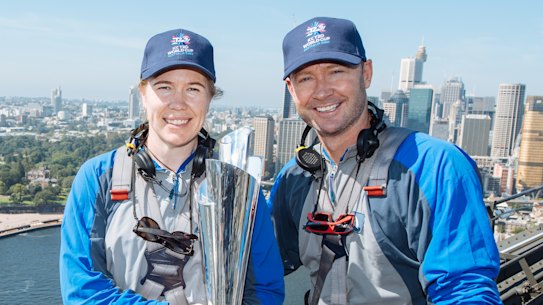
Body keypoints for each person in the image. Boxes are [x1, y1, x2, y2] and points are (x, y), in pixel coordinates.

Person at [268, 16, 502, 305]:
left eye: (336, 71)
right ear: (291, 90)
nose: (322, 90)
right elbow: (262, 263)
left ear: (366, 73)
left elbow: (465, 290)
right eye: (306, 78)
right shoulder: (294, 177)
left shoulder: (434, 166)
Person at [60, 28, 284, 305]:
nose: (178, 103)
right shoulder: (97, 178)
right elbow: (82, 292)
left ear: (210, 98)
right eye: (164, 87)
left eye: (193, 88)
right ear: (143, 94)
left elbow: (265, 291)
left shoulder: (237, 188)